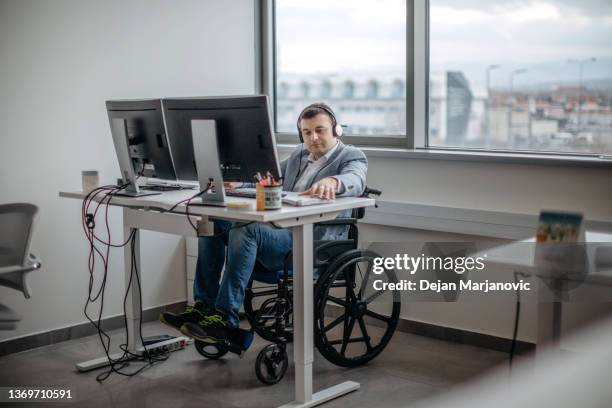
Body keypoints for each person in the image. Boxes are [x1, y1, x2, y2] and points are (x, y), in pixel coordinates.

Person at [160, 102, 367, 349]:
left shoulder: (351, 156)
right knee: (213, 222)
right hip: (282, 232)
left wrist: (334, 181)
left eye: (320, 130)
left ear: (336, 130)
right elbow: (266, 177)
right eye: (307, 132)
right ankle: (204, 308)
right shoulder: (299, 156)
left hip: (312, 241)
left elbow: (356, 178)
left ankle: (225, 320)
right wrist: (238, 184)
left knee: (248, 230)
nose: (313, 138)